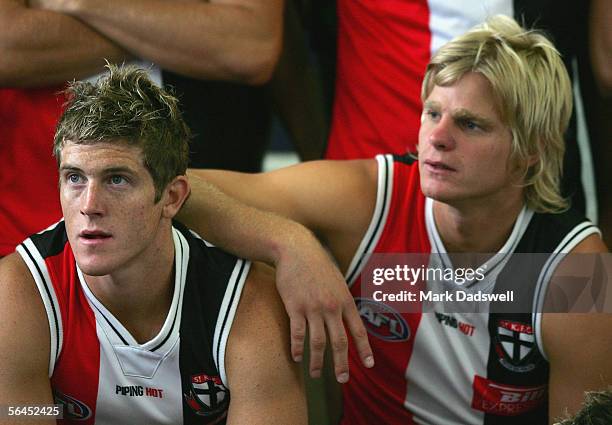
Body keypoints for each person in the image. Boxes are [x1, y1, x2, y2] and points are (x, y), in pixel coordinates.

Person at [182, 16, 612, 424]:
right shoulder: (373, 196)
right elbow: (175, 186)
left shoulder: (579, 271)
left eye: (470, 124)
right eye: (432, 112)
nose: (438, 138)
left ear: (531, 147)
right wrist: (288, 242)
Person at [0, 0, 374, 383]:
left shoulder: (244, 301)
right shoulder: (18, 286)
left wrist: (76, 4)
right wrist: (181, 30)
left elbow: (249, 45)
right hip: (26, 232)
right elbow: (7, 43)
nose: (92, 204)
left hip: (206, 241)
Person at [0, 65, 307, 424]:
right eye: (74, 178)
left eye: (117, 179)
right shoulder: (19, 296)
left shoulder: (247, 306)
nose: (89, 205)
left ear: (172, 197)